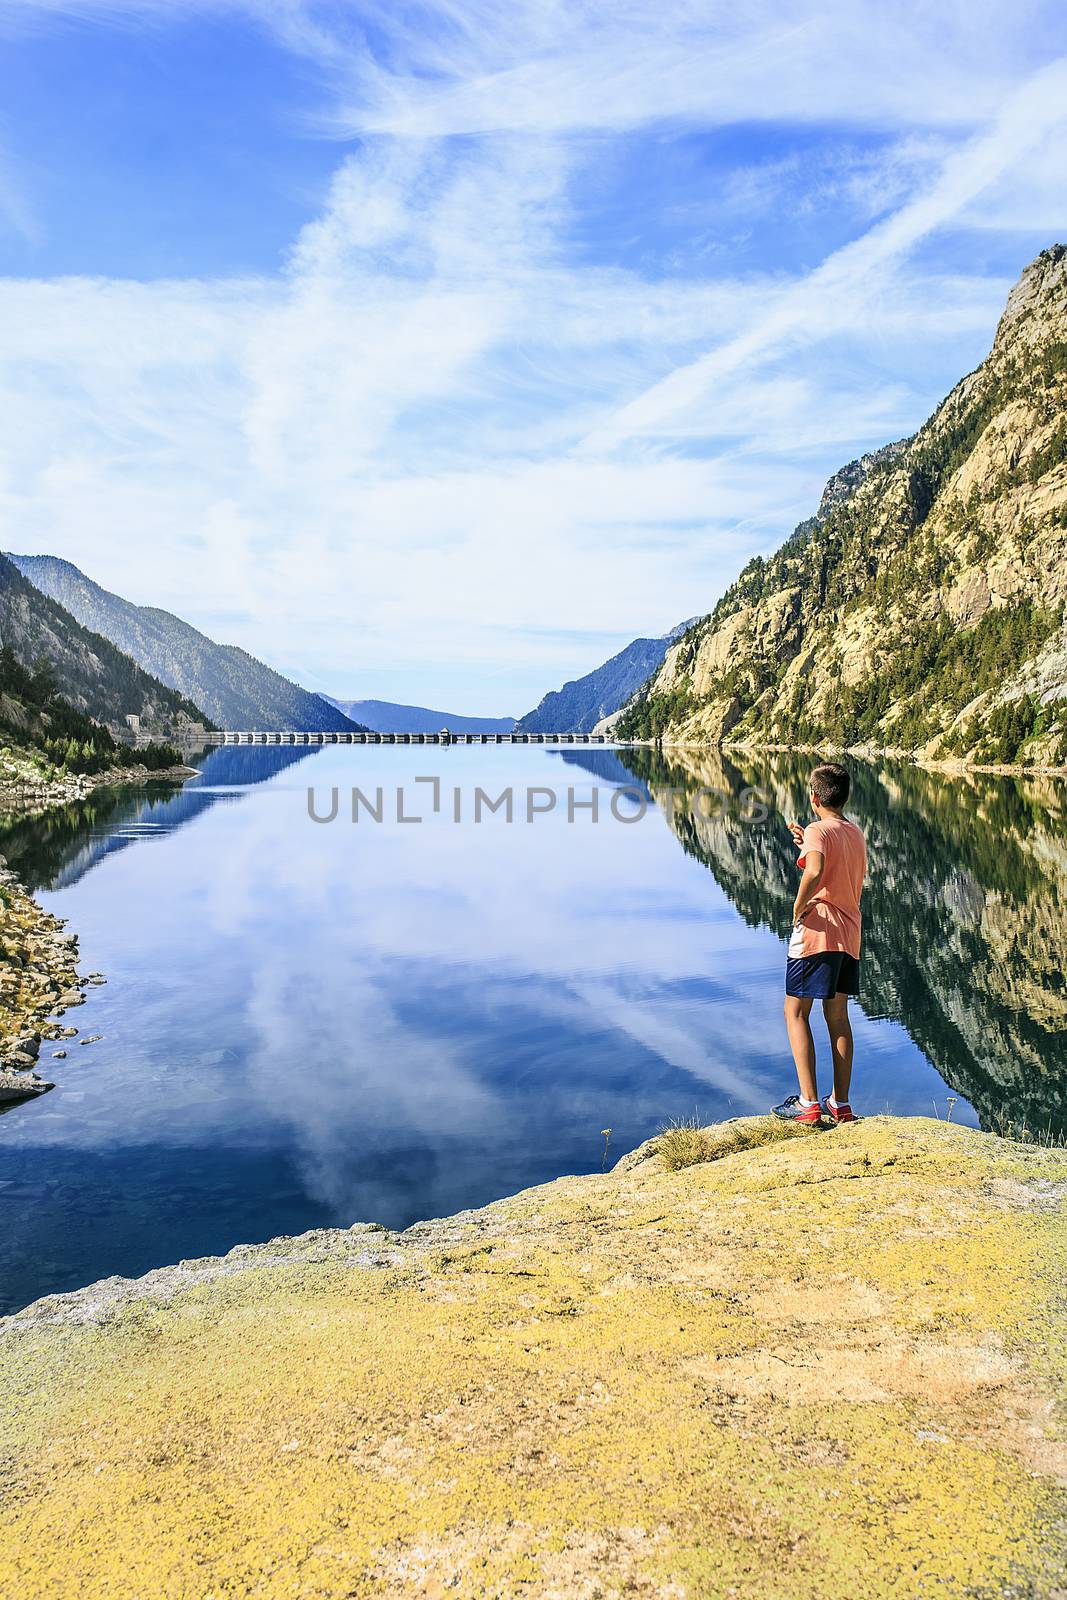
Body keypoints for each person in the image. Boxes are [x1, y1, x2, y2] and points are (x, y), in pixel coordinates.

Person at [772, 762, 867, 1127]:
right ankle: (840, 1103)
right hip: (848, 935)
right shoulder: (854, 833)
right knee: (838, 1016)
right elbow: (835, 871)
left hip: (817, 932)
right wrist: (806, 844)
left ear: (814, 798)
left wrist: (798, 907)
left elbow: (815, 872)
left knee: (795, 1012)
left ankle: (808, 1103)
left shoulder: (817, 831)